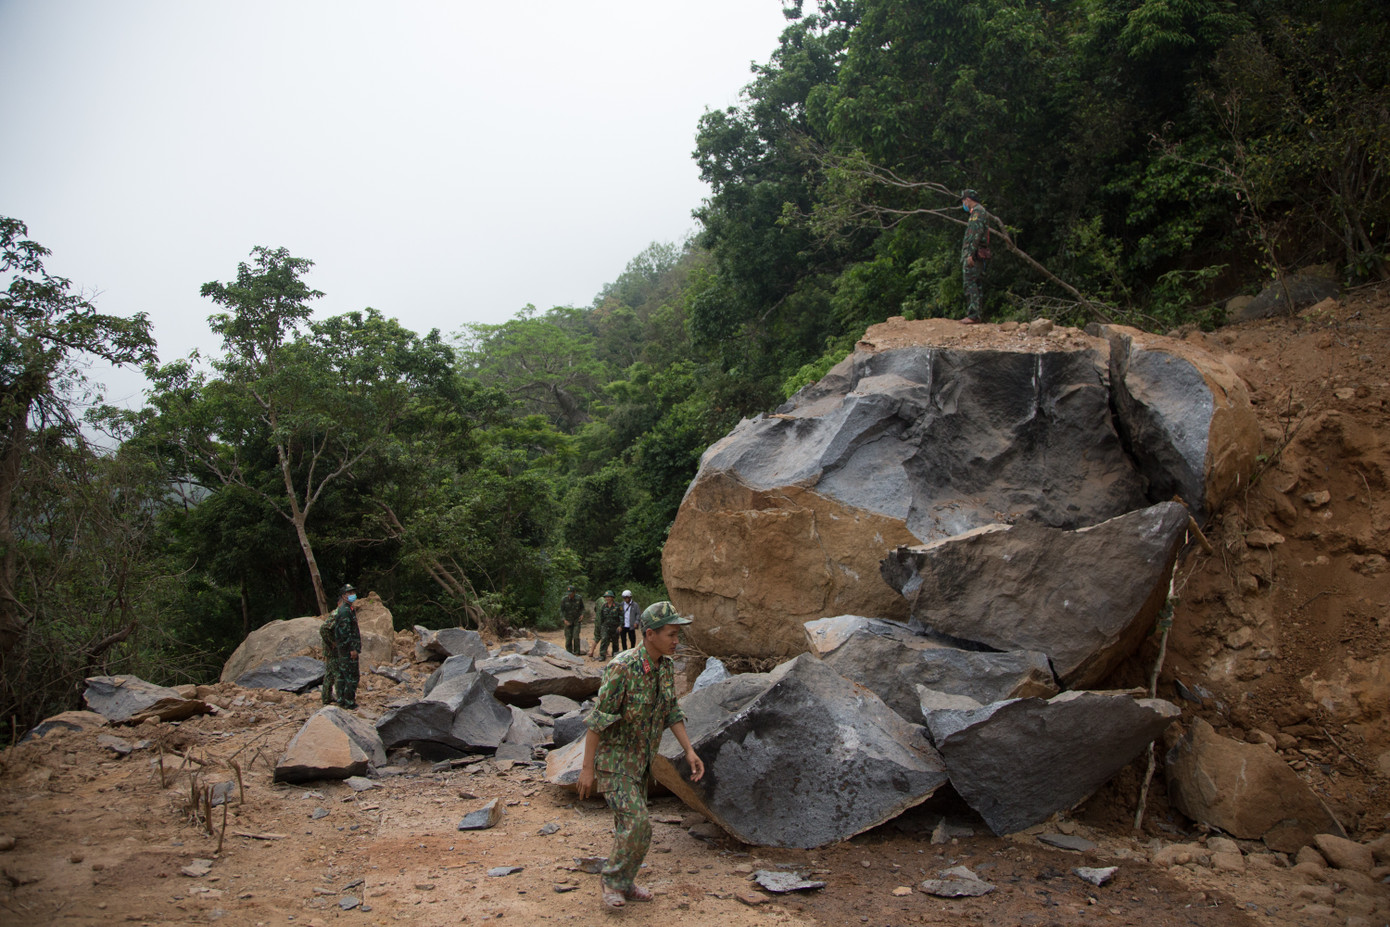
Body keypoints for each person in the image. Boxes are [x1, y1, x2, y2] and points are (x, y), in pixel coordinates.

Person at [579, 601, 705, 909]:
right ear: (649, 634)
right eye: (672, 634)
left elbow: (671, 711)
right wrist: (586, 769)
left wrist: (689, 750)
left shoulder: (663, 666)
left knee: (633, 826)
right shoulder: (621, 667)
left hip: (640, 763)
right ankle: (612, 881)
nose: (677, 641)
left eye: (678, 635)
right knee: (638, 823)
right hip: (615, 763)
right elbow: (598, 721)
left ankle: (625, 880)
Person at [960, 189, 990, 324]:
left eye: (963, 200)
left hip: (975, 254)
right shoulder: (977, 212)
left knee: (970, 282)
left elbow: (975, 236)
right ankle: (976, 314)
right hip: (977, 253)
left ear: (968, 199)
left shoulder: (978, 213)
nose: (963, 203)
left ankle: (973, 315)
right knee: (976, 283)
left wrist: (970, 254)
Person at [330, 584, 361, 709]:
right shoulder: (345, 611)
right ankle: (349, 702)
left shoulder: (348, 609)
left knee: (343, 676)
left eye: (353, 592)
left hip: (343, 649)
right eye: (349, 593)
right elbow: (345, 633)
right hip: (347, 650)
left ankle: (342, 700)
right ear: (343, 596)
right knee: (351, 676)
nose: (352, 594)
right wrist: (352, 649)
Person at [595, 590, 623, 661]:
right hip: (605, 626)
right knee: (604, 639)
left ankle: (615, 654)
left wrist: (620, 626)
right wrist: (601, 626)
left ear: (612, 598)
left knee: (615, 641)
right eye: (606, 597)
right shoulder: (604, 606)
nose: (607, 599)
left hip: (615, 626)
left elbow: (621, 616)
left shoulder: (618, 606)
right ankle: (602, 655)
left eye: (609, 597)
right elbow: (601, 617)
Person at [560, 585, 585, 655]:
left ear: (574, 592)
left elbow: (582, 608)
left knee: (576, 637)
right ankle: (569, 652)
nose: (570, 595)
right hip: (568, 620)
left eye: (571, 593)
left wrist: (582, 615)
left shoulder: (579, 598)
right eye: (568, 593)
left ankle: (577, 652)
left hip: (577, 620)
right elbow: (561, 611)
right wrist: (564, 620)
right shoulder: (564, 599)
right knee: (568, 638)